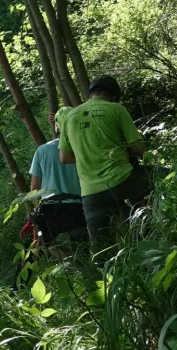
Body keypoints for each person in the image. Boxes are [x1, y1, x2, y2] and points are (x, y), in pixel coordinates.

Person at [58, 75, 148, 246]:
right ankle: (152, 232)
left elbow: (64, 157)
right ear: (113, 95)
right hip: (124, 180)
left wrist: (88, 154)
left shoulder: (70, 116)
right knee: (164, 178)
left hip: (91, 192)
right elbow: (139, 149)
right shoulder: (116, 109)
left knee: (101, 250)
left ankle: (106, 269)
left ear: (91, 93)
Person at [28, 106, 88, 246]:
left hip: (50, 209)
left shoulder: (42, 150)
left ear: (57, 127)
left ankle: (65, 263)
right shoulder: (83, 147)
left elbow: (34, 188)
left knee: (41, 247)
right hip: (77, 208)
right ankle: (81, 267)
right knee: (83, 249)